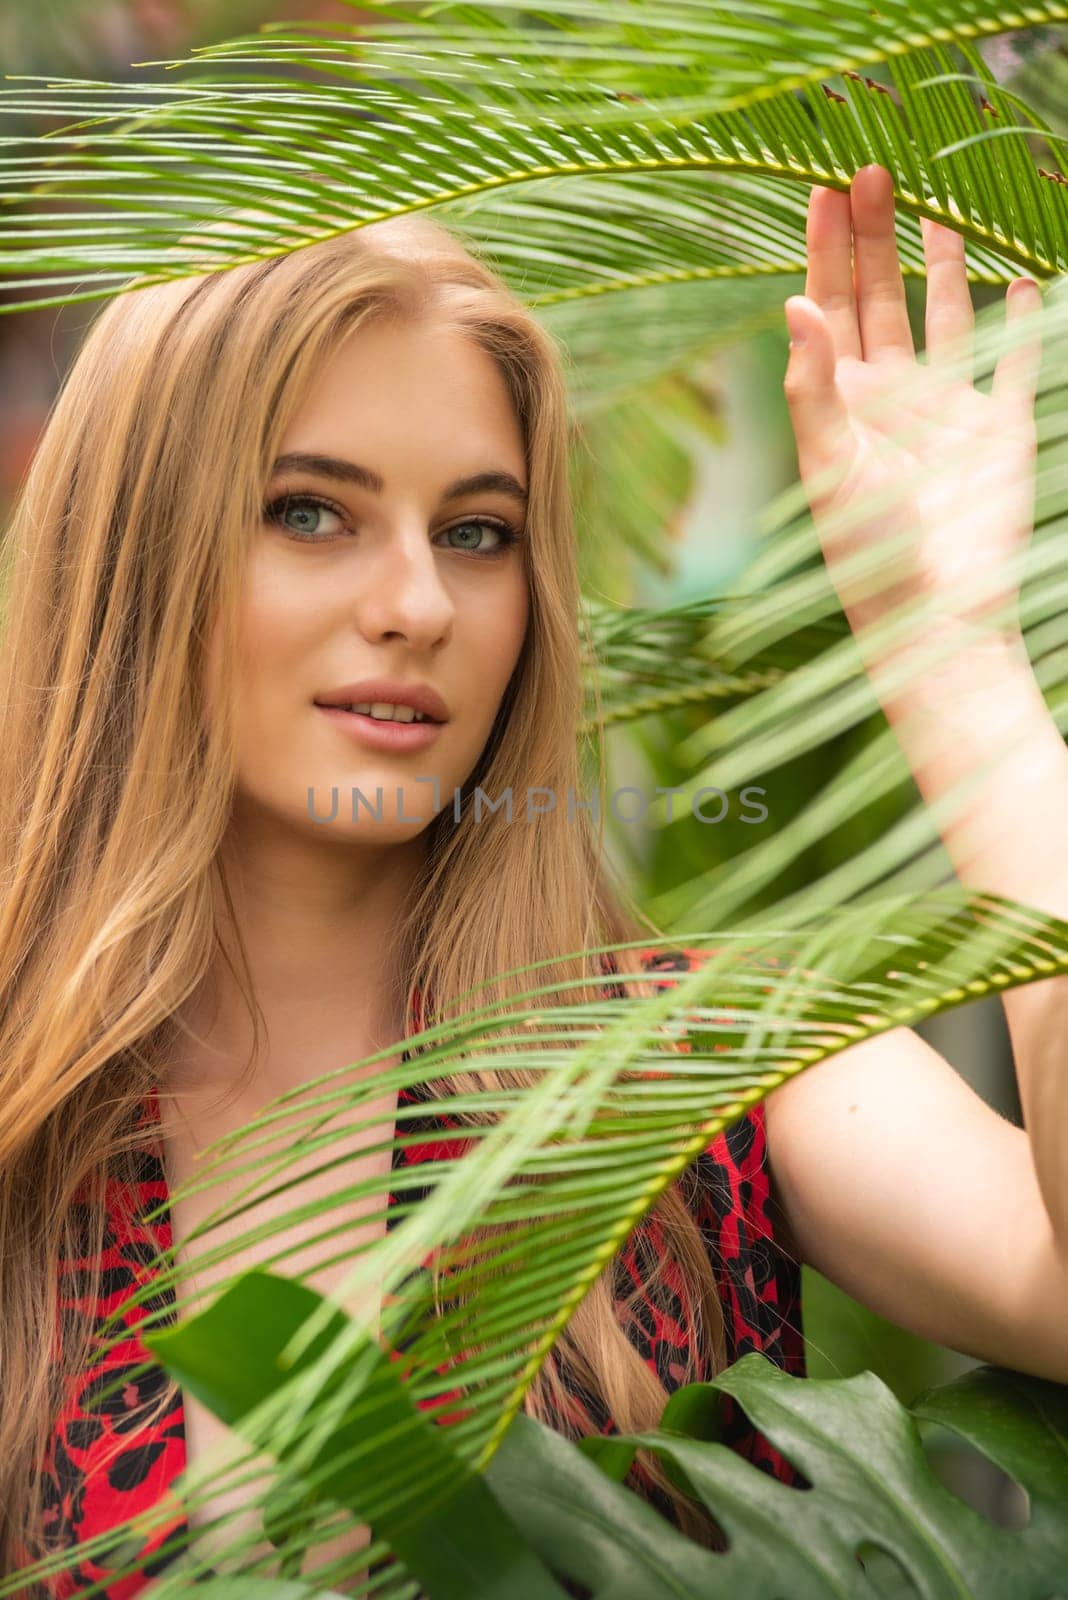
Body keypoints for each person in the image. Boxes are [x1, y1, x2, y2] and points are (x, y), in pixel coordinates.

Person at [0, 159, 1062, 1594]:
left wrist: (954, 653)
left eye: (476, 533)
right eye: (311, 511)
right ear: (139, 558)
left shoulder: (702, 1064)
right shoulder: (28, 1109)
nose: (419, 605)